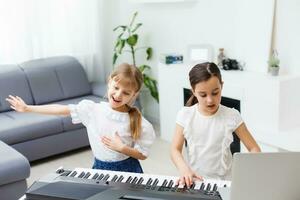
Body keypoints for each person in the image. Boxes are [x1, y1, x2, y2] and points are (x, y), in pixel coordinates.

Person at [6, 63, 156, 173]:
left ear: (134, 95)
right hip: (100, 168)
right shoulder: (91, 110)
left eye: (126, 93)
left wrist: (122, 148)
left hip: (128, 170)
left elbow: (142, 155)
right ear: (110, 82)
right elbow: (60, 110)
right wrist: (27, 108)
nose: (118, 95)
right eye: (116, 88)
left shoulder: (140, 122)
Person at [170, 62, 260, 187]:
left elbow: (254, 148)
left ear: (221, 86)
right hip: (196, 182)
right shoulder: (185, 115)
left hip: (226, 183)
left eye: (215, 93)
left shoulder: (232, 115)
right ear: (194, 91)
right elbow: (175, 149)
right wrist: (184, 169)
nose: (210, 100)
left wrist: (247, 172)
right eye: (203, 95)